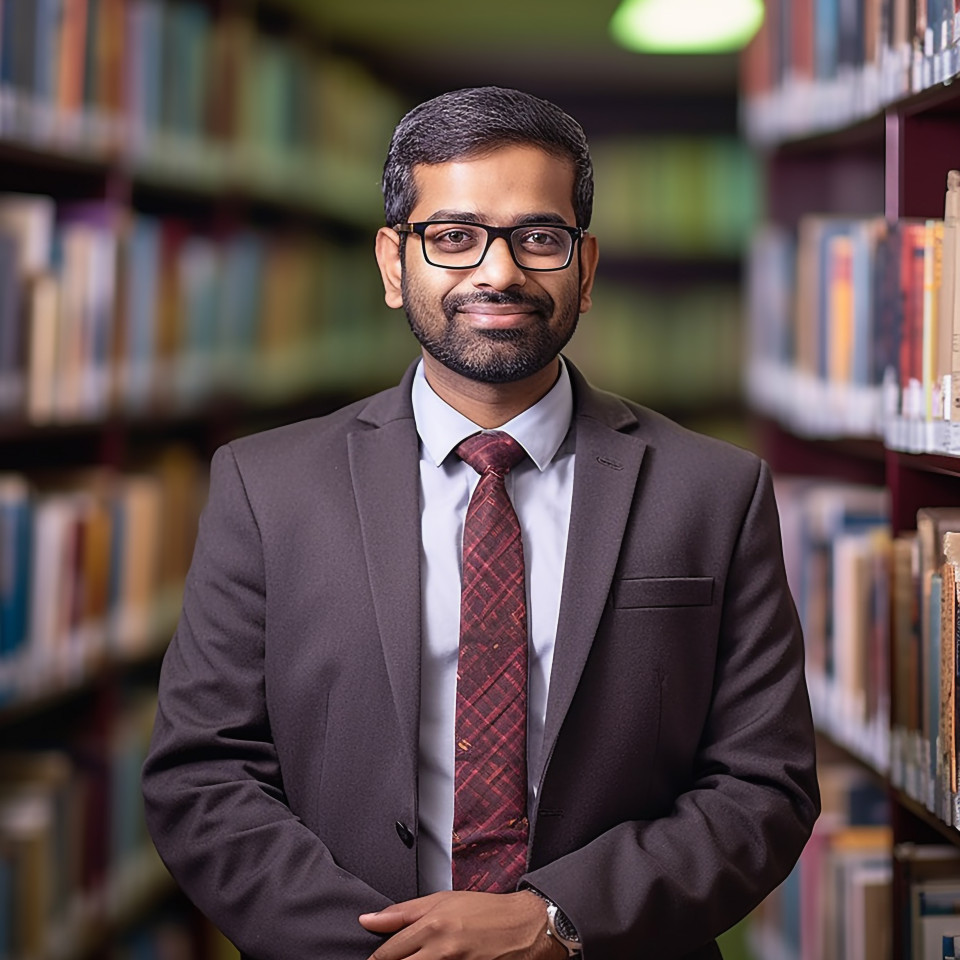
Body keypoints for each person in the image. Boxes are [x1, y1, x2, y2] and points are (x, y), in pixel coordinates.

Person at [142, 86, 819, 960]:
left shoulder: (714, 491)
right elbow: (202, 777)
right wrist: (390, 952)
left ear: (587, 266)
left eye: (539, 237)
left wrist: (556, 920)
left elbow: (763, 787)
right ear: (394, 265)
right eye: (453, 237)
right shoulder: (265, 487)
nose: (498, 272)